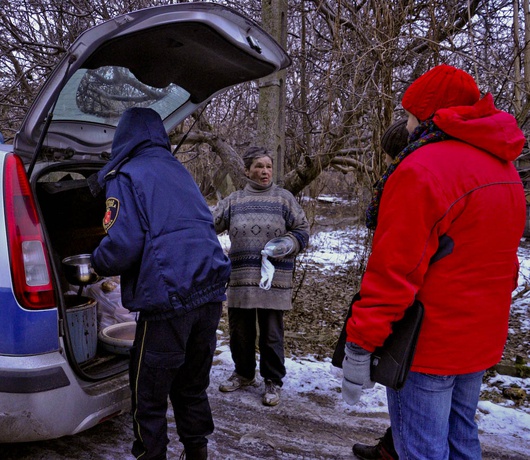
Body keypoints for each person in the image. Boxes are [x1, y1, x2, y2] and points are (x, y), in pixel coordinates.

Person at [341, 64, 526, 460]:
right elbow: (504, 265)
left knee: (422, 450)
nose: (405, 124)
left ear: (427, 114)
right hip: (479, 337)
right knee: (462, 439)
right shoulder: (504, 168)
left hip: (428, 344)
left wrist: (360, 343)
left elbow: (395, 270)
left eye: (408, 113)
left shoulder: (423, 168)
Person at [90, 107, 231, 460]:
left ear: (124, 137)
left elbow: (122, 245)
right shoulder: (176, 169)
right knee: (192, 385)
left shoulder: (125, 174)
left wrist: (95, 262)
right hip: (211, 290)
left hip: (170, 299)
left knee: (148, 394)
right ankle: (197, 452)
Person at [213, 146, 310, 406]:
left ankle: (272, 380)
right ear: (247, 171)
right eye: (258, 166)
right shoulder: (234, 201)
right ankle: (244, 374)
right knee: (239, 332)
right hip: (241, 277)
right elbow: (209, 224)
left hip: (273, 280)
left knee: (271, 334)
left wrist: (289, 243)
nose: (264, 171)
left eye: (268, 166)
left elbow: (302, 229)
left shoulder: (283, 199)